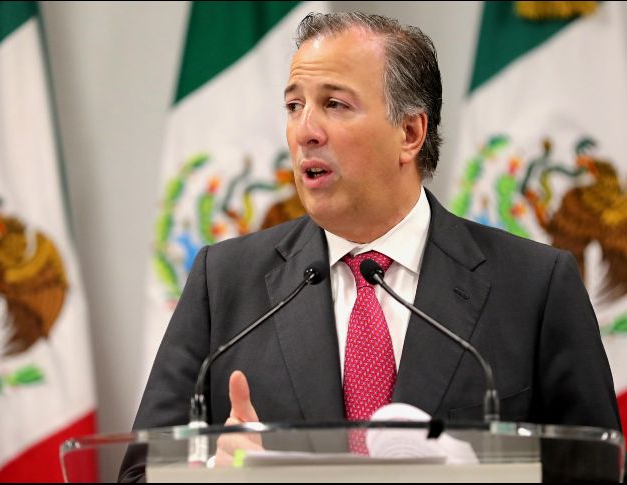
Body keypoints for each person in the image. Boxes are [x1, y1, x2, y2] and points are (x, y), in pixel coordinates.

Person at [122, 11, 620, 481]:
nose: (304, 131)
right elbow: (140, 473)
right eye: (294, 106)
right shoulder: (225, 282)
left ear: (410, 133)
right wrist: (212, 472)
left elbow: (595, 471)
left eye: (334, 104)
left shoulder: (534, 287)